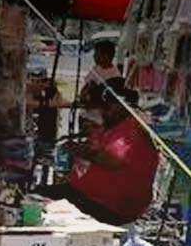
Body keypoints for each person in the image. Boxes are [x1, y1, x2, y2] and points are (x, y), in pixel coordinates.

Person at [37, 78, 159, 225]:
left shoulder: (131, 128)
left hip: (110, 206)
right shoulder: (110, 126)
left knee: (43, 202)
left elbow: (112, 160)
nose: (103, 112)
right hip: (87, 195)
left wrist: (78, 149)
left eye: (107, 108)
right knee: (36, 196)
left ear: (121, 105)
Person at [79, 39, 121, 129]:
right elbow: (84, 92)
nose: (94, 57)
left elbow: (111, 101)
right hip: (86, 115)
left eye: (97, 54)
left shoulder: (115, 75)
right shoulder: (95, 69)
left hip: (100, 120)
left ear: (105, 55)